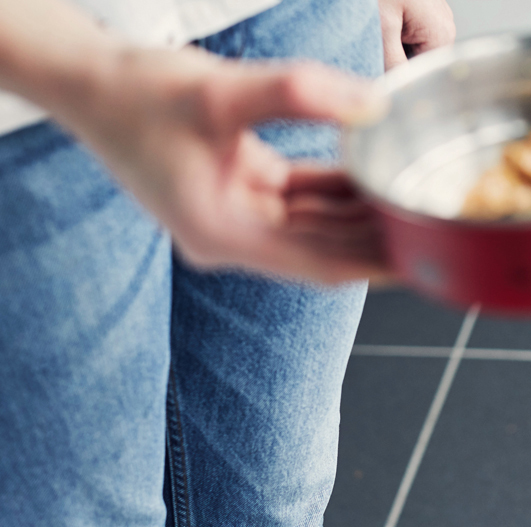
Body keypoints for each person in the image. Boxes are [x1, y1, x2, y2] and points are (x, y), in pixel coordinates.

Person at [0, 0, 454, 524]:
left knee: (274, 499)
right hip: (28, 89)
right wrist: (92, 70)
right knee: (86, 513)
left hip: (294, 19)